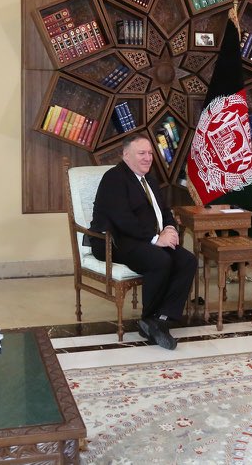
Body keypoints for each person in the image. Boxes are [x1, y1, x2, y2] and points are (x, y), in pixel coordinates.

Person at [88, 134, 196, 350]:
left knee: (188, 260)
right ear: (126, 155)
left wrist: (170, 228)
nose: (148, 158)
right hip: (116, 241)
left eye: (150, 153)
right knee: (160, 260)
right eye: (141, 153)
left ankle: (161, 319)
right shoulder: (114, 178)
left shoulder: (150, 180)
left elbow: (164, 210)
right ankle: (149, 317)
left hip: (144, 239)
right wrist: (156, 239)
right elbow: (123, 219)